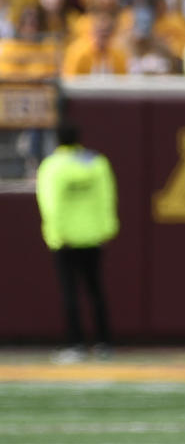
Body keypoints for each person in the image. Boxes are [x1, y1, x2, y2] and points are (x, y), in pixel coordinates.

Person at [35, 122, 118, 363]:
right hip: (93, 235)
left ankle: (76, 344)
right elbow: (107, 197)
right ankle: (105, 343)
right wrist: (106, 229)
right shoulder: (96, 163)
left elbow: (50, 203)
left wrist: (55, 234)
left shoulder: (52, 166)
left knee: (70, 292)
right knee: (96, 291)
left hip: (65, 238)